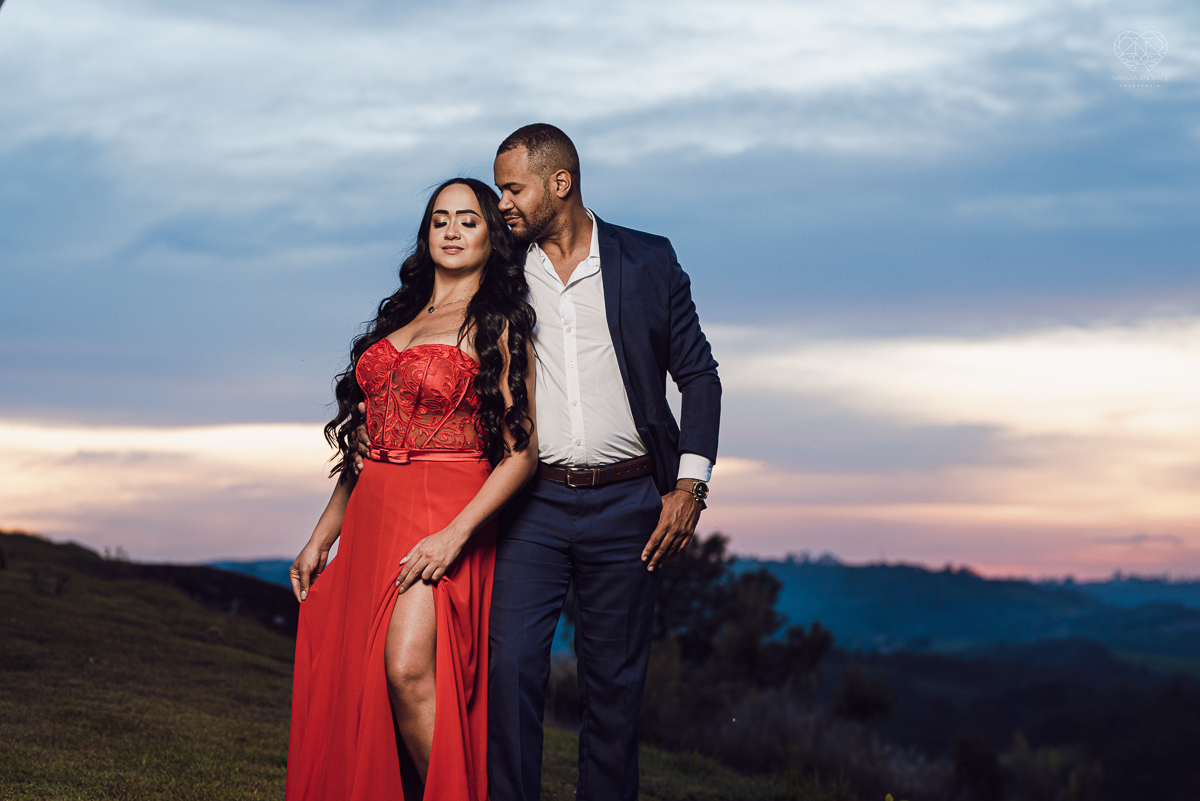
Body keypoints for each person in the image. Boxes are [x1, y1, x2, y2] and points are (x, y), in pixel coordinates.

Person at [488, 124, 722, 801]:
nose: (502, 202)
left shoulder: (647, 260)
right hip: (530, 504)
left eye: (513, 187)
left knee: (613, 692)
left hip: (630, 507)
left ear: (559, 183)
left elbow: (699, 376)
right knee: (510, 671)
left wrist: (689, 485)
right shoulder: (501, 268)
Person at [285, 177, 538, 801]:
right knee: (357, 681)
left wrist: (454, 535)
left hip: (443, 511)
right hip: (373, 510)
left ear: (493, 235)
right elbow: (368, 447)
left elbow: (521, 456)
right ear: (426, 234)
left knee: (406, 669)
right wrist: (321, 537)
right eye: (439, 220)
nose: (451, 231)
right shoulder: (401, 316)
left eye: (468, 220)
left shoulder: (498, 324)